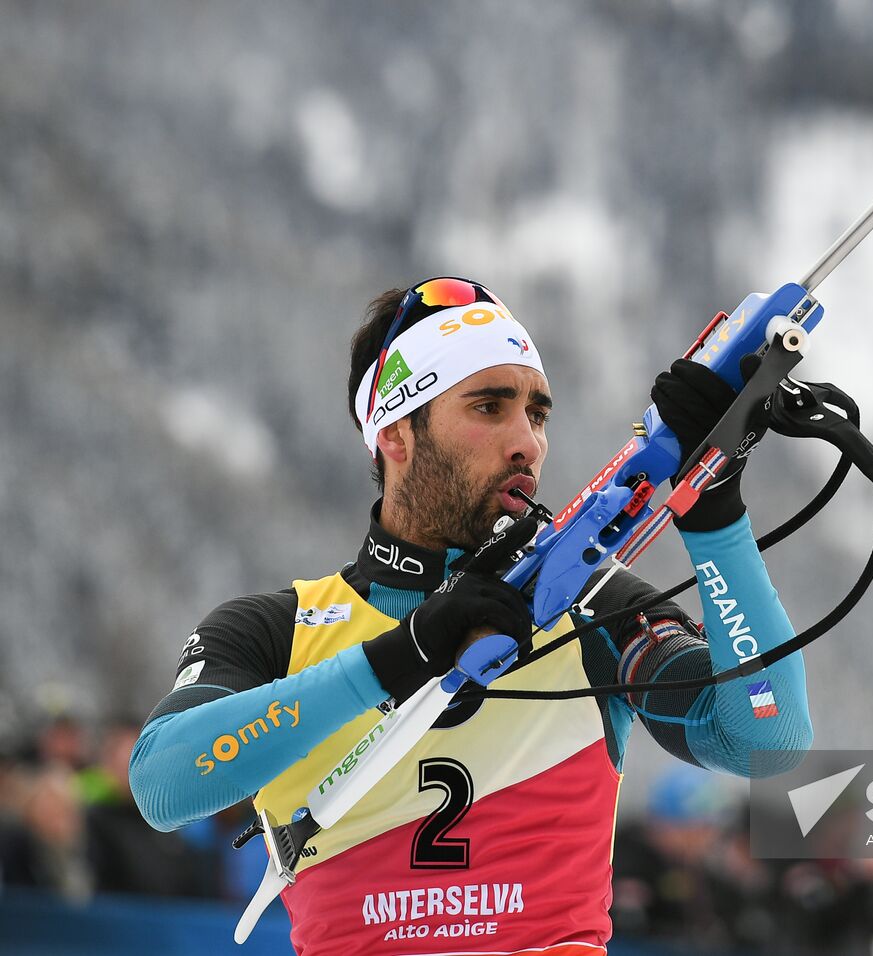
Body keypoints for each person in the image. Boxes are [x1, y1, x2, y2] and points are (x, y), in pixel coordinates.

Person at [128, 277, 813, 955]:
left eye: (537, 414)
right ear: (396, 434)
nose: (528, 443)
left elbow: (765, 738)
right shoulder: (280, 627)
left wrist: (714, 505)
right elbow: (165, 784)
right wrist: (402, 655)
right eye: (490, 406)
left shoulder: (589, 600)